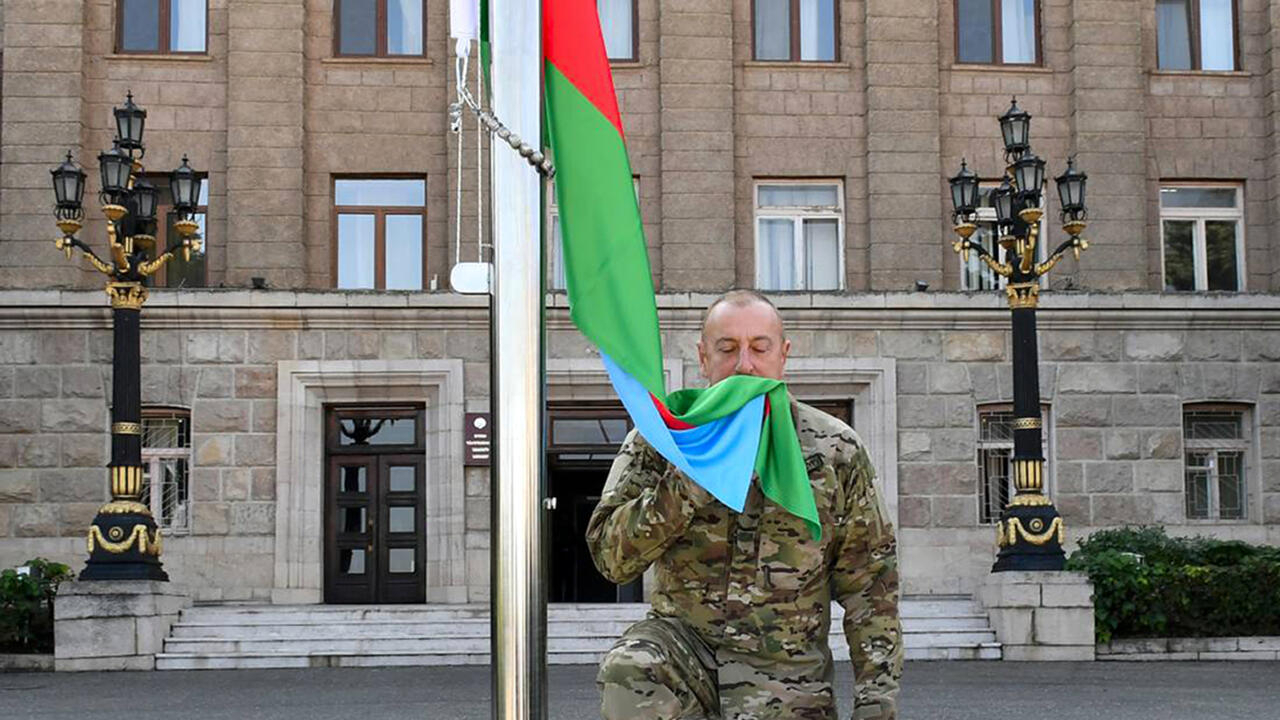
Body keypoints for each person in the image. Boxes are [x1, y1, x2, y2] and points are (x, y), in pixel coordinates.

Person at [587, 289, 902, 720]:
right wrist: (692, 475)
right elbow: (611, 559)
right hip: (684, 658)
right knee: (631, 669)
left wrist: (876, 704)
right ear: (703, 357)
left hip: (786, 677)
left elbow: (871, 587)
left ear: (783, 354)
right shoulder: (663, 440)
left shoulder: (835, 449)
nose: (745, 365)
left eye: (759, 347)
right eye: (727, 348)